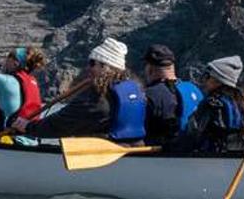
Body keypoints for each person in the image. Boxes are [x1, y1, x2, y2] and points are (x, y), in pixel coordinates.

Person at [12, 38, 148, 143]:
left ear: (104, 66)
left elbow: (63, 123)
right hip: (134, 147)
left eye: (92, 63)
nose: (89, 68)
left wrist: (29, 127)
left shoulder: (98, 96)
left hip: (104, 152)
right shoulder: (135, 89)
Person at [187, 55, 244, 152]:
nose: (204, 81)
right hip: (242, 154)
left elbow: (193, 133)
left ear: (218, 81)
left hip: (213, 156)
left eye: (208, 77)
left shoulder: (212, 103)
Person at [140, 44, 203, 147]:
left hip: (162, 152)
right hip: (193, 149)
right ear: (172, 66)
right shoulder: (193, 89)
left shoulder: (150, 94)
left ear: (150, 68)